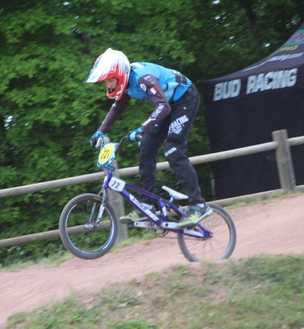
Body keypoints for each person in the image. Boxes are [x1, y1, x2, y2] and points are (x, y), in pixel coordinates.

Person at [86, 48, 212, 228]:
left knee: (173, 150)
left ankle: (199, 205)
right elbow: (118, 108)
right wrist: (101, 131)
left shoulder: (143, 78)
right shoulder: (127, 83)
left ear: (120, 74)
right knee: (146, 148)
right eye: (106, 82)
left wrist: (141, 128)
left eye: (110, 80)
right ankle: (146, 206)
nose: (108, 86)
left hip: (185, 100)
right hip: (167, 106)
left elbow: (163, 106)